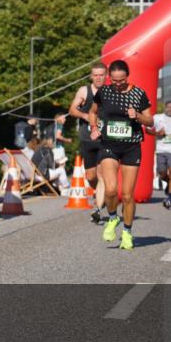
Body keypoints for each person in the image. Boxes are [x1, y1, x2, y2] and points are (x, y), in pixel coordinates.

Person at [89, 59, 154, 250]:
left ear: (128, 76)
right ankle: (112, 217)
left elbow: (150, 121)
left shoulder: (138, 93)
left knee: (127, 195)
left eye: (121, 80)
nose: (117, 84)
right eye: (114, 80)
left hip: (131, 146)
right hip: (109, 144)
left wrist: (139, 117)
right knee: (110, 190)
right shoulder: (104, 92)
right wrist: (94, 127)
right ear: (110, 77)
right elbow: (93, 112)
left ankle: (127, 231)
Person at [69, 62, 108, 223]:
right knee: (91, 177)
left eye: (101, 74)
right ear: (91, 76)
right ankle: (102, 193)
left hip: (105, 140)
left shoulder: (110, 92)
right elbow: (72, 110)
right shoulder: (84, 91)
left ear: (106, 76)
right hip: (87, 138)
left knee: (101, 174)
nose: (98, 78)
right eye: (96, 75)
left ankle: (97, 209)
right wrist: (86, 116)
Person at [152, 100, 171, 209]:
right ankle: (169, 182)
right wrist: (157, 133)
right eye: (168, 107)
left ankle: (169, 198)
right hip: (161, 150)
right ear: (165, 108)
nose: (170, 109)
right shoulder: (157, 118)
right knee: (162, 173)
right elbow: (147, 130)